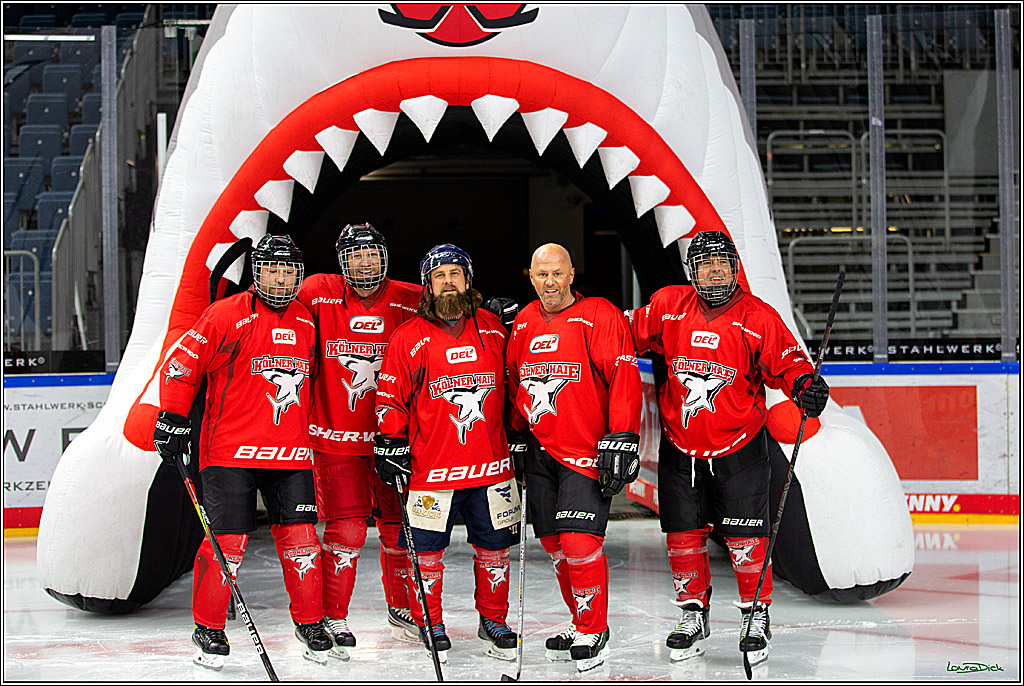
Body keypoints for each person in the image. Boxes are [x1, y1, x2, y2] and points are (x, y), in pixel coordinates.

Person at [625, 230, 830, 667]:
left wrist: (805, 384)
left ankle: (756, 614)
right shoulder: (668, 306)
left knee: (745, 538)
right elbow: (622, 332)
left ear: (735, 266)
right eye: (705, 264)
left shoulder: (757, 315)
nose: (714, 270)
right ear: (692, 272)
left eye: (722, 262)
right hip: (682, 449)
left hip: (739, 448)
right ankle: (691, 615)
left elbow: (788, 362)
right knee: (682, 535)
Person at [152, 234, 333, 669]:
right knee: (226, 544)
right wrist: (171, 416)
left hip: (291, 454)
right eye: (273, 269)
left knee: (303, 542)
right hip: (229, 452)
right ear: (256, 273)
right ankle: (208, 626)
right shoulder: (226, 314)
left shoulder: (307, 321)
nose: (281, 277)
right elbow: (181, 366)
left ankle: (310, 621)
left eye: (289, 270)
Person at [372, 243, 519, 664]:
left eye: (455, 274)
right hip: (431, 471)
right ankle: (429, 621)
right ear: (427, 285)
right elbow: (390, 396)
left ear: (468, 280)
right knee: (427, 554)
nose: (448, 282)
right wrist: (390, 438)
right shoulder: (407, 337)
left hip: (492, 467)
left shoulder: (493, 327)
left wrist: (521, 430)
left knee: (495, 551)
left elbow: (518, 377)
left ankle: (493, 619)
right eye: (440, 276)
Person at [504, 243, 643, 672]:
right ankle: (579, 619)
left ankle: (593, 628)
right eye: (542, 275)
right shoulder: (525, 321)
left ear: (571, 275)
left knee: (580, 544)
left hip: (585, 454)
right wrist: (516, 432)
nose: (550, 282)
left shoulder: (599, 314)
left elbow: (622, 374)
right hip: (541, 453)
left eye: (557, 274)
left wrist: (622, 435)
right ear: (531, 276)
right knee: (554, 546)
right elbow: (514, 380)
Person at [295, 223, 422, 659]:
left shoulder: (410, 297)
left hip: (394, 439)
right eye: (355, 255)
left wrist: (489, 313)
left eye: (372, 254)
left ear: (384, 257)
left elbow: (451, 320)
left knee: (398, 528)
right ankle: (334, 614)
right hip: (335, 439)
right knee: (346, 531)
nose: (364, 263)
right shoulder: (318, 292)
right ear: (341, 260)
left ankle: (402, 607)